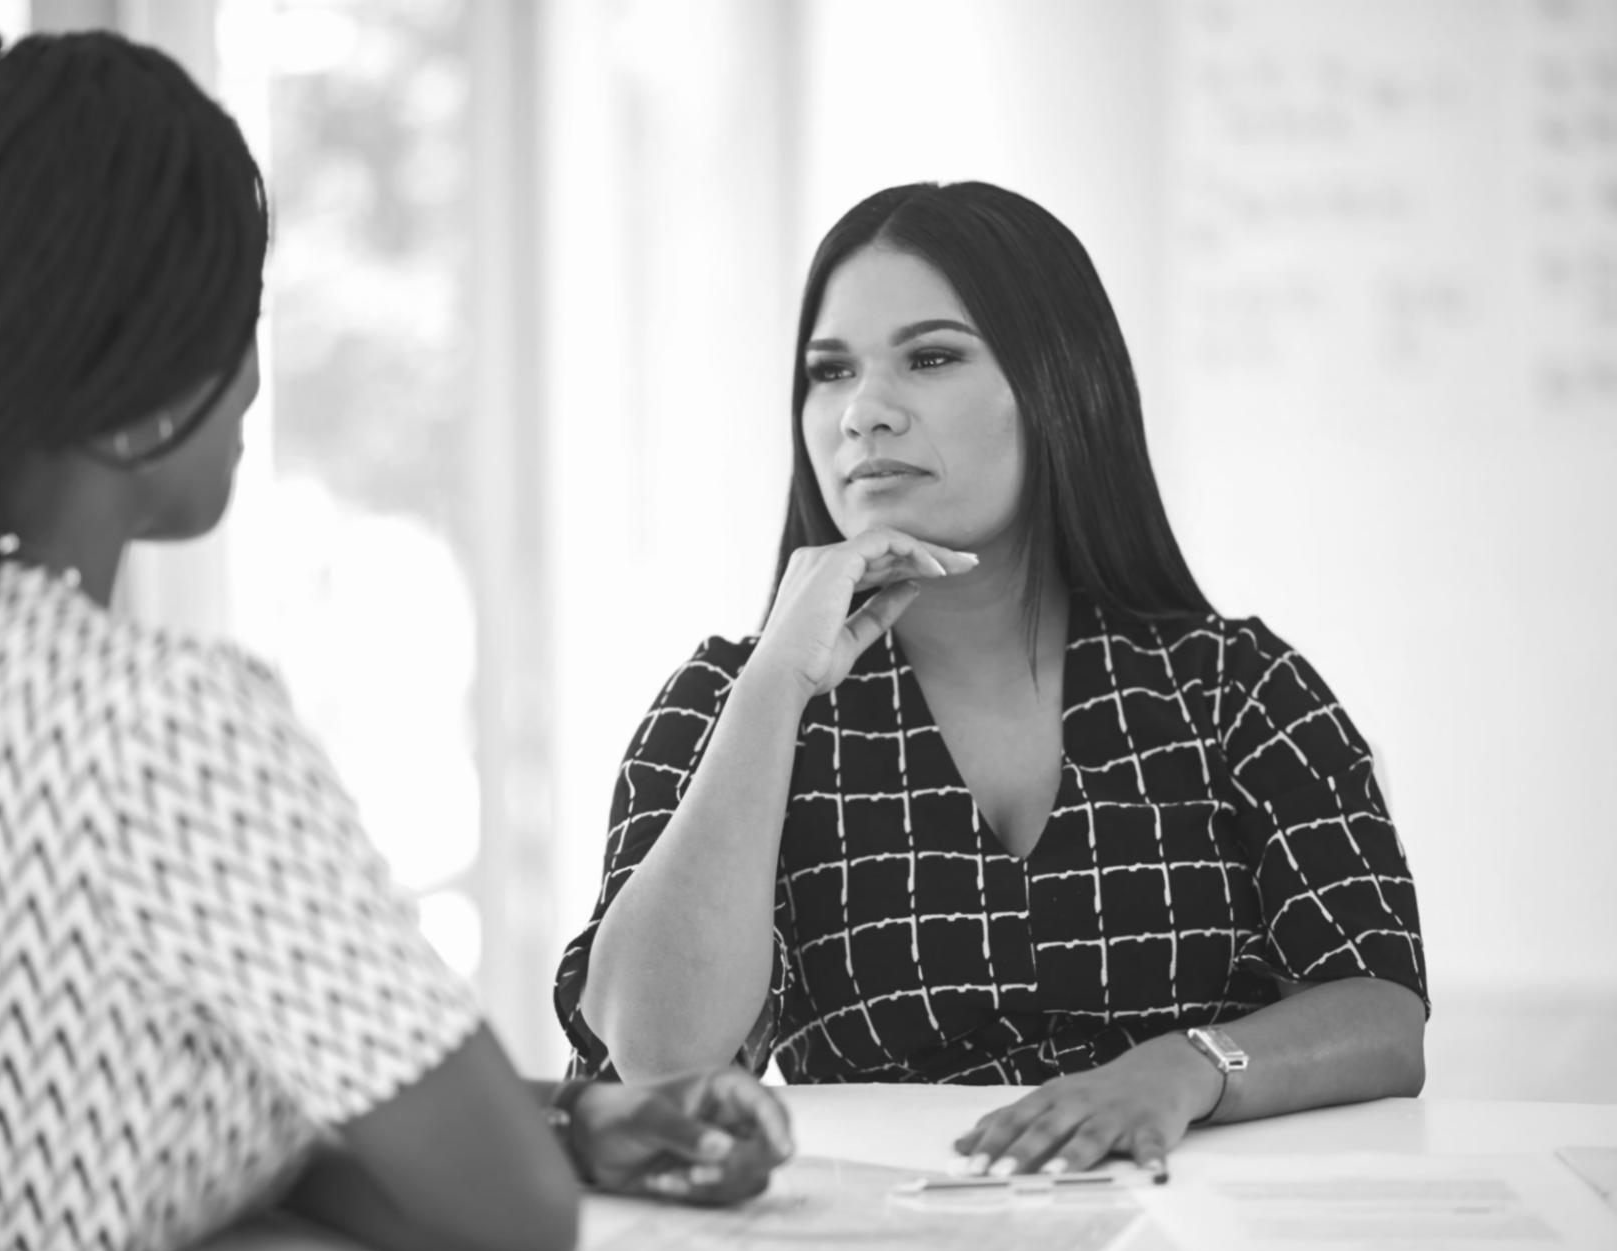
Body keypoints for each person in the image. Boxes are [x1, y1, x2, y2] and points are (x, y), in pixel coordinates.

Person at [0, 26, 790, 1251]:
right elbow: (510, 1212)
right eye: (245, 319)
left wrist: (553, 1116)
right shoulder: (164, 728)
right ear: (150, 401)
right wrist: (419, 1139)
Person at [558, 180, 1427, 1179]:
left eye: (930, 358)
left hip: (1190, 1223)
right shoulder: (728, 703)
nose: (864, 414)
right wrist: (772, 689)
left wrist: (1184, 1069)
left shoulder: (1237, 686)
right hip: (890, 1240)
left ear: (1059, 384)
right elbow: (656, 1059)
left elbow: (1384, 1010)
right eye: (830, 372)